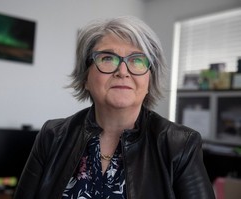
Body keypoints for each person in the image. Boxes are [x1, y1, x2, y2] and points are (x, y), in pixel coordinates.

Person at [14, 16, 215, 199]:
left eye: (137, 60)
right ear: (85, 77)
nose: (122, 71)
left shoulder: (179, 145)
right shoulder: (52, 136)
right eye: (107, 58)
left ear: (149, 79)